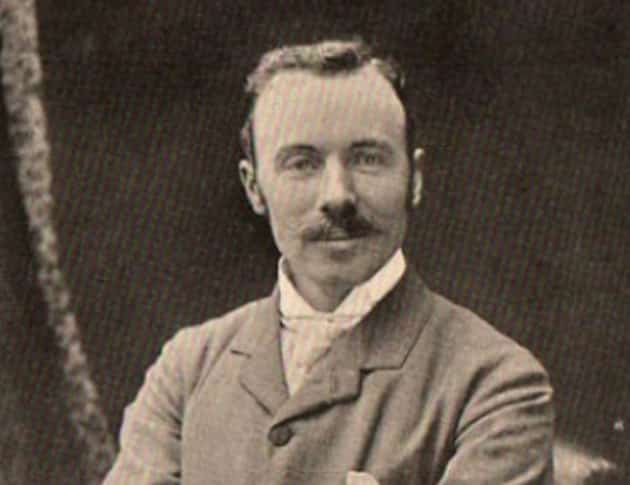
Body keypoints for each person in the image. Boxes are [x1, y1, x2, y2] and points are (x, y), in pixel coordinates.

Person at [104, 39, 554, 485]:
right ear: (254, 188)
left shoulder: (495, 384)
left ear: (414, 179)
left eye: (367, 159)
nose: (338, 196)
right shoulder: (188, 369)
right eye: (302, 163)